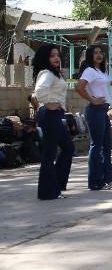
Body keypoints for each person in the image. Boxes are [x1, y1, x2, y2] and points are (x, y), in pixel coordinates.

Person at [32, 44, 75, 200]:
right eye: (52, 56)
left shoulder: (54, 74)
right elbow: (39, 90)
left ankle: (54, 185)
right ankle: (48, 192)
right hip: (49, 113)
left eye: (57, 55)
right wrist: (48, 103)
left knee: (68, 149)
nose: (56, 58)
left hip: (54, 114)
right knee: (50, 154)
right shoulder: (46, 73)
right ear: (45, 58)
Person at [76, 44, 112, 190]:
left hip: (103, 110)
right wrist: (93, 99)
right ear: (90, 55)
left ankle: (107, 180)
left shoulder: (101, 72)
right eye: (95, 53)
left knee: (107, 145)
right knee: (97, 146)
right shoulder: (89, 71)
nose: (99, 55)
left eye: (101, 52)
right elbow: (79, 87)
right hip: (94, 110)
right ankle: (95, 182)